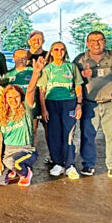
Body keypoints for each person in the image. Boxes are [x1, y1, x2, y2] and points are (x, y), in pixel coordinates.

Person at [72, 31, 112, 177]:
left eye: (99, 40)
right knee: (87, 135)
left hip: (111, 102)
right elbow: (72, 81)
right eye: (92, 41)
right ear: (87, 43)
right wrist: (82, 76)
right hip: (89, 104)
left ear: (105, 42)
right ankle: (88, 165)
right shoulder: (79, 60)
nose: (96, 43)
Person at [0, 58, 45, 187]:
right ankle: (14, 168)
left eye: (16, 96)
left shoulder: (26, 109)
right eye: (10, 97)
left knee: (12, 162)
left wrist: (36, 72)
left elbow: (30, 90)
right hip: (8, 153)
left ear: (21, 97)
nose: (13, 100)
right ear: (5, 99)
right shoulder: (0, 115)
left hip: (26, 151)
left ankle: (25, 173)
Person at [37, 41, 83, 180]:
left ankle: (70, 165)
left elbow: (78, 86)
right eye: (56, 49)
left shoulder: (71, 67)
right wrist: (44, 109)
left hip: (69, 103)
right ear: (51, 52)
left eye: (62, 49)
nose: (59, 52)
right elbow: (42, 91)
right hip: (51, 104)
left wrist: (79, 104)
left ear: (65, 52)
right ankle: (58, 163)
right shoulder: (47, 69)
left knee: (68, 134)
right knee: (54, 134)